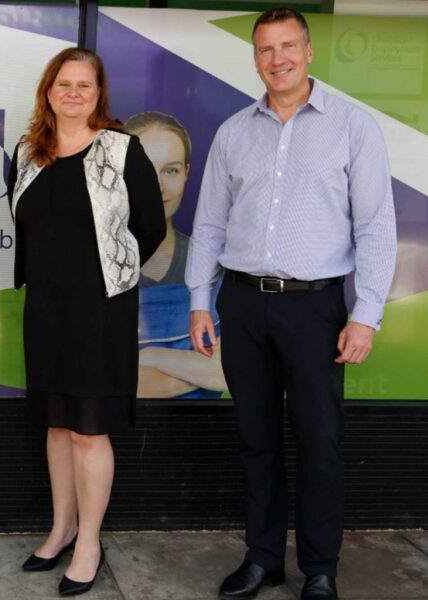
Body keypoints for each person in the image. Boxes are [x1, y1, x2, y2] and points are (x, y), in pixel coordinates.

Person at [186, 8, 396, 600]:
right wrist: (200, 300)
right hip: (243, 303)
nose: (276, 59)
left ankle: (321, 568)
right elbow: (210, 223)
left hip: (315, 309)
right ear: (255, 58)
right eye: (264, 49)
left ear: (307, 51)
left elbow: (375, 227)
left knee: (318, 441)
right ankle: (262, 559)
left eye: (286, 46)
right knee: (256, 438)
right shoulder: (234, 132)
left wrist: (366, 314)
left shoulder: (352, 127)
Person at [8, 48, 165, 596]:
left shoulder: (122, 150)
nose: (73, 93)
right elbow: (28, 226)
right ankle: (61, 529)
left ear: (99, 94)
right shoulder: (27, 152)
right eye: (64, 84)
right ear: (48, 91)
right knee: (57, 426)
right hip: (45, 311)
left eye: (84, 85)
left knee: (88, 432)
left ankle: (90, 543)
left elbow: (151, 227)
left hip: (100, 313)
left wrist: (109, 275)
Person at [122, 112, 227, 398]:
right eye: (142, 170)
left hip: (203, 424)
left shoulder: (215, 265)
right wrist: (200, 369)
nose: (157, 186)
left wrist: (151, 356)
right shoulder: (99, 263)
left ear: (186, 174)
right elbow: (104, 379)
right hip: (117, 425)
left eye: (171, 171)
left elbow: (234, 369)